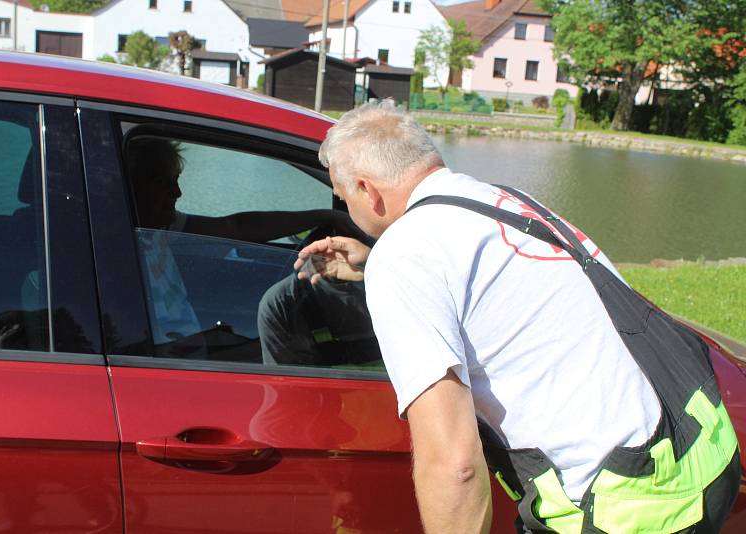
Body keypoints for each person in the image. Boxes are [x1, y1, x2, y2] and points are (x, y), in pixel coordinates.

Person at [295, 101, 740, 533]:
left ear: (368, 191)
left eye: (343, 195)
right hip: (699, 455)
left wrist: (389, 264)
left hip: (620, 506)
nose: (346, 210)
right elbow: (509, 293)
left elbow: (455, 465)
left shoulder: (405, 254)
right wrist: (375, 264)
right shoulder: (504, 199)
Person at [125, 136, 367, 356]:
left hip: (188, 346)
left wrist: (323, 216)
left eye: (175, 182)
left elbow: (236, 227)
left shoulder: (160, 228)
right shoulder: (114, 245)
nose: (177, 192)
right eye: (163, 184)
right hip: (171, 359)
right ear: (133, 187)